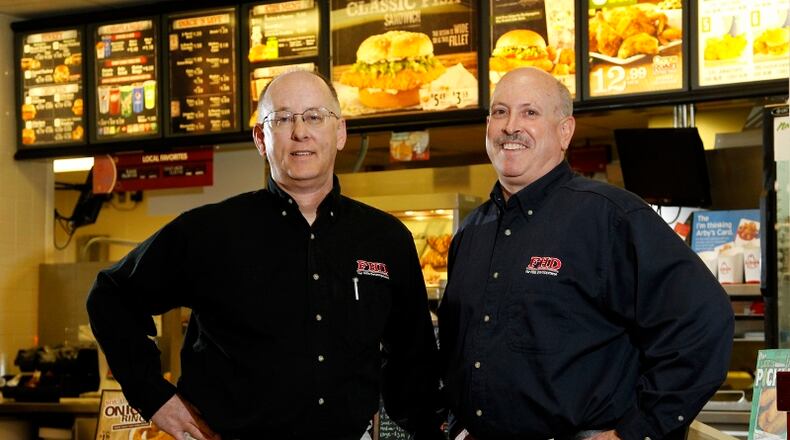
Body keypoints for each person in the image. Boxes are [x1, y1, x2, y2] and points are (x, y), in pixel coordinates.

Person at [87, 71, 444, 440]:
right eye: (284, 118)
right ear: (261, 138)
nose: (300, 132)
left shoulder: (386, 239)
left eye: (315, 116)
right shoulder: (210, 231)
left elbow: (413, 362)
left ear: (340, 133)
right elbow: (110, 295)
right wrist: (155, 397)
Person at [438, 67, 734, 440]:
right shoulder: (471, 232)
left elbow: (705, 321)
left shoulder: (610, 217)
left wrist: (637, 431)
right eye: (500, 112)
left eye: (530, 112)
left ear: (565, 132)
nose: (511, 126)